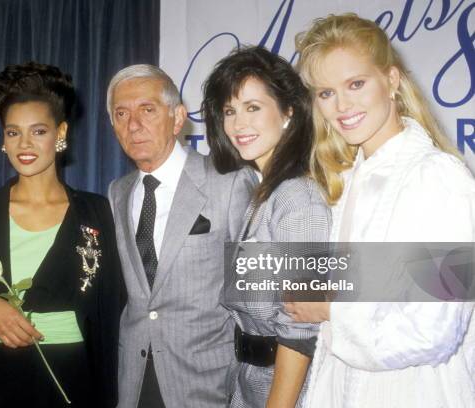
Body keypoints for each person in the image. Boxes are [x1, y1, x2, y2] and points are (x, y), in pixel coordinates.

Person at [285, 13, 475, 407]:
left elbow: (435, 329)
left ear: (391, 80)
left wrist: (330, 311)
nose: (342, 106)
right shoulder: (353, 178)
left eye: (356, 84)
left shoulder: (439, 177)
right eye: (325, 93)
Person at [0, 62, 123, 407]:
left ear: (61, 133)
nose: (24, 144)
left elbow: (108, 317)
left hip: (72, 383)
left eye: (38, 131)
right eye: (13, 133)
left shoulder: (96, 212)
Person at [106, 64, 255, 408]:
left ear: (177, 118)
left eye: (147, 110)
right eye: (121, 113)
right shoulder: (118, 192)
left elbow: (263, 294)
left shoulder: (229, 182)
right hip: (133, 380)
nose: (133, 124)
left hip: (208, 383)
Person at [201, 46, 331, 408]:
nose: (238, 124)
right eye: (230, 111)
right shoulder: (263, 192)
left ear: (288, 112)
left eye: (253, 108)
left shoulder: (298, 199)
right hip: (249, 384)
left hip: (288, 391)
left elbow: (301, 330)